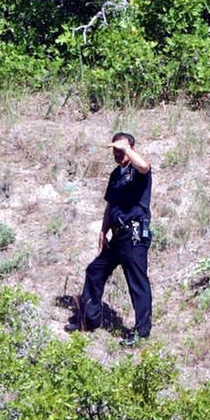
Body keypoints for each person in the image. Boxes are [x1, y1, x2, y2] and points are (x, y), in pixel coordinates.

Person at [67, 131, 153, 346]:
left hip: (134, 236)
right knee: (94, 271)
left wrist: (127, 149)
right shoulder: (115, 175)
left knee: (137, 283)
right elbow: (110, 205)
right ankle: (89, 319)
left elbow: (145, 166)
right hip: (117, 236)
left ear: (130, 149)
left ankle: (141, 331)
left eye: (120, 149)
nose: (117, 153)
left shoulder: (138, 171)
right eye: (114, 149)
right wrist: (103, 231)